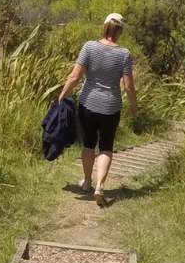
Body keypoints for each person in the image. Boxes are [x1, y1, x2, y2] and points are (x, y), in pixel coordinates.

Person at [55, 12, 137, 206]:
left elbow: (75, 77)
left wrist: (63, 94)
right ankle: (100, 186)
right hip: (111, 107)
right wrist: (134, 107)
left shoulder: (89, 47)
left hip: (88, 104)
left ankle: (87, 183)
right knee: (106, 147)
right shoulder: (124, 54)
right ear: (120, 31)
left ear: (104, 27)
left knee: (89, 144)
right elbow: (128, 87)